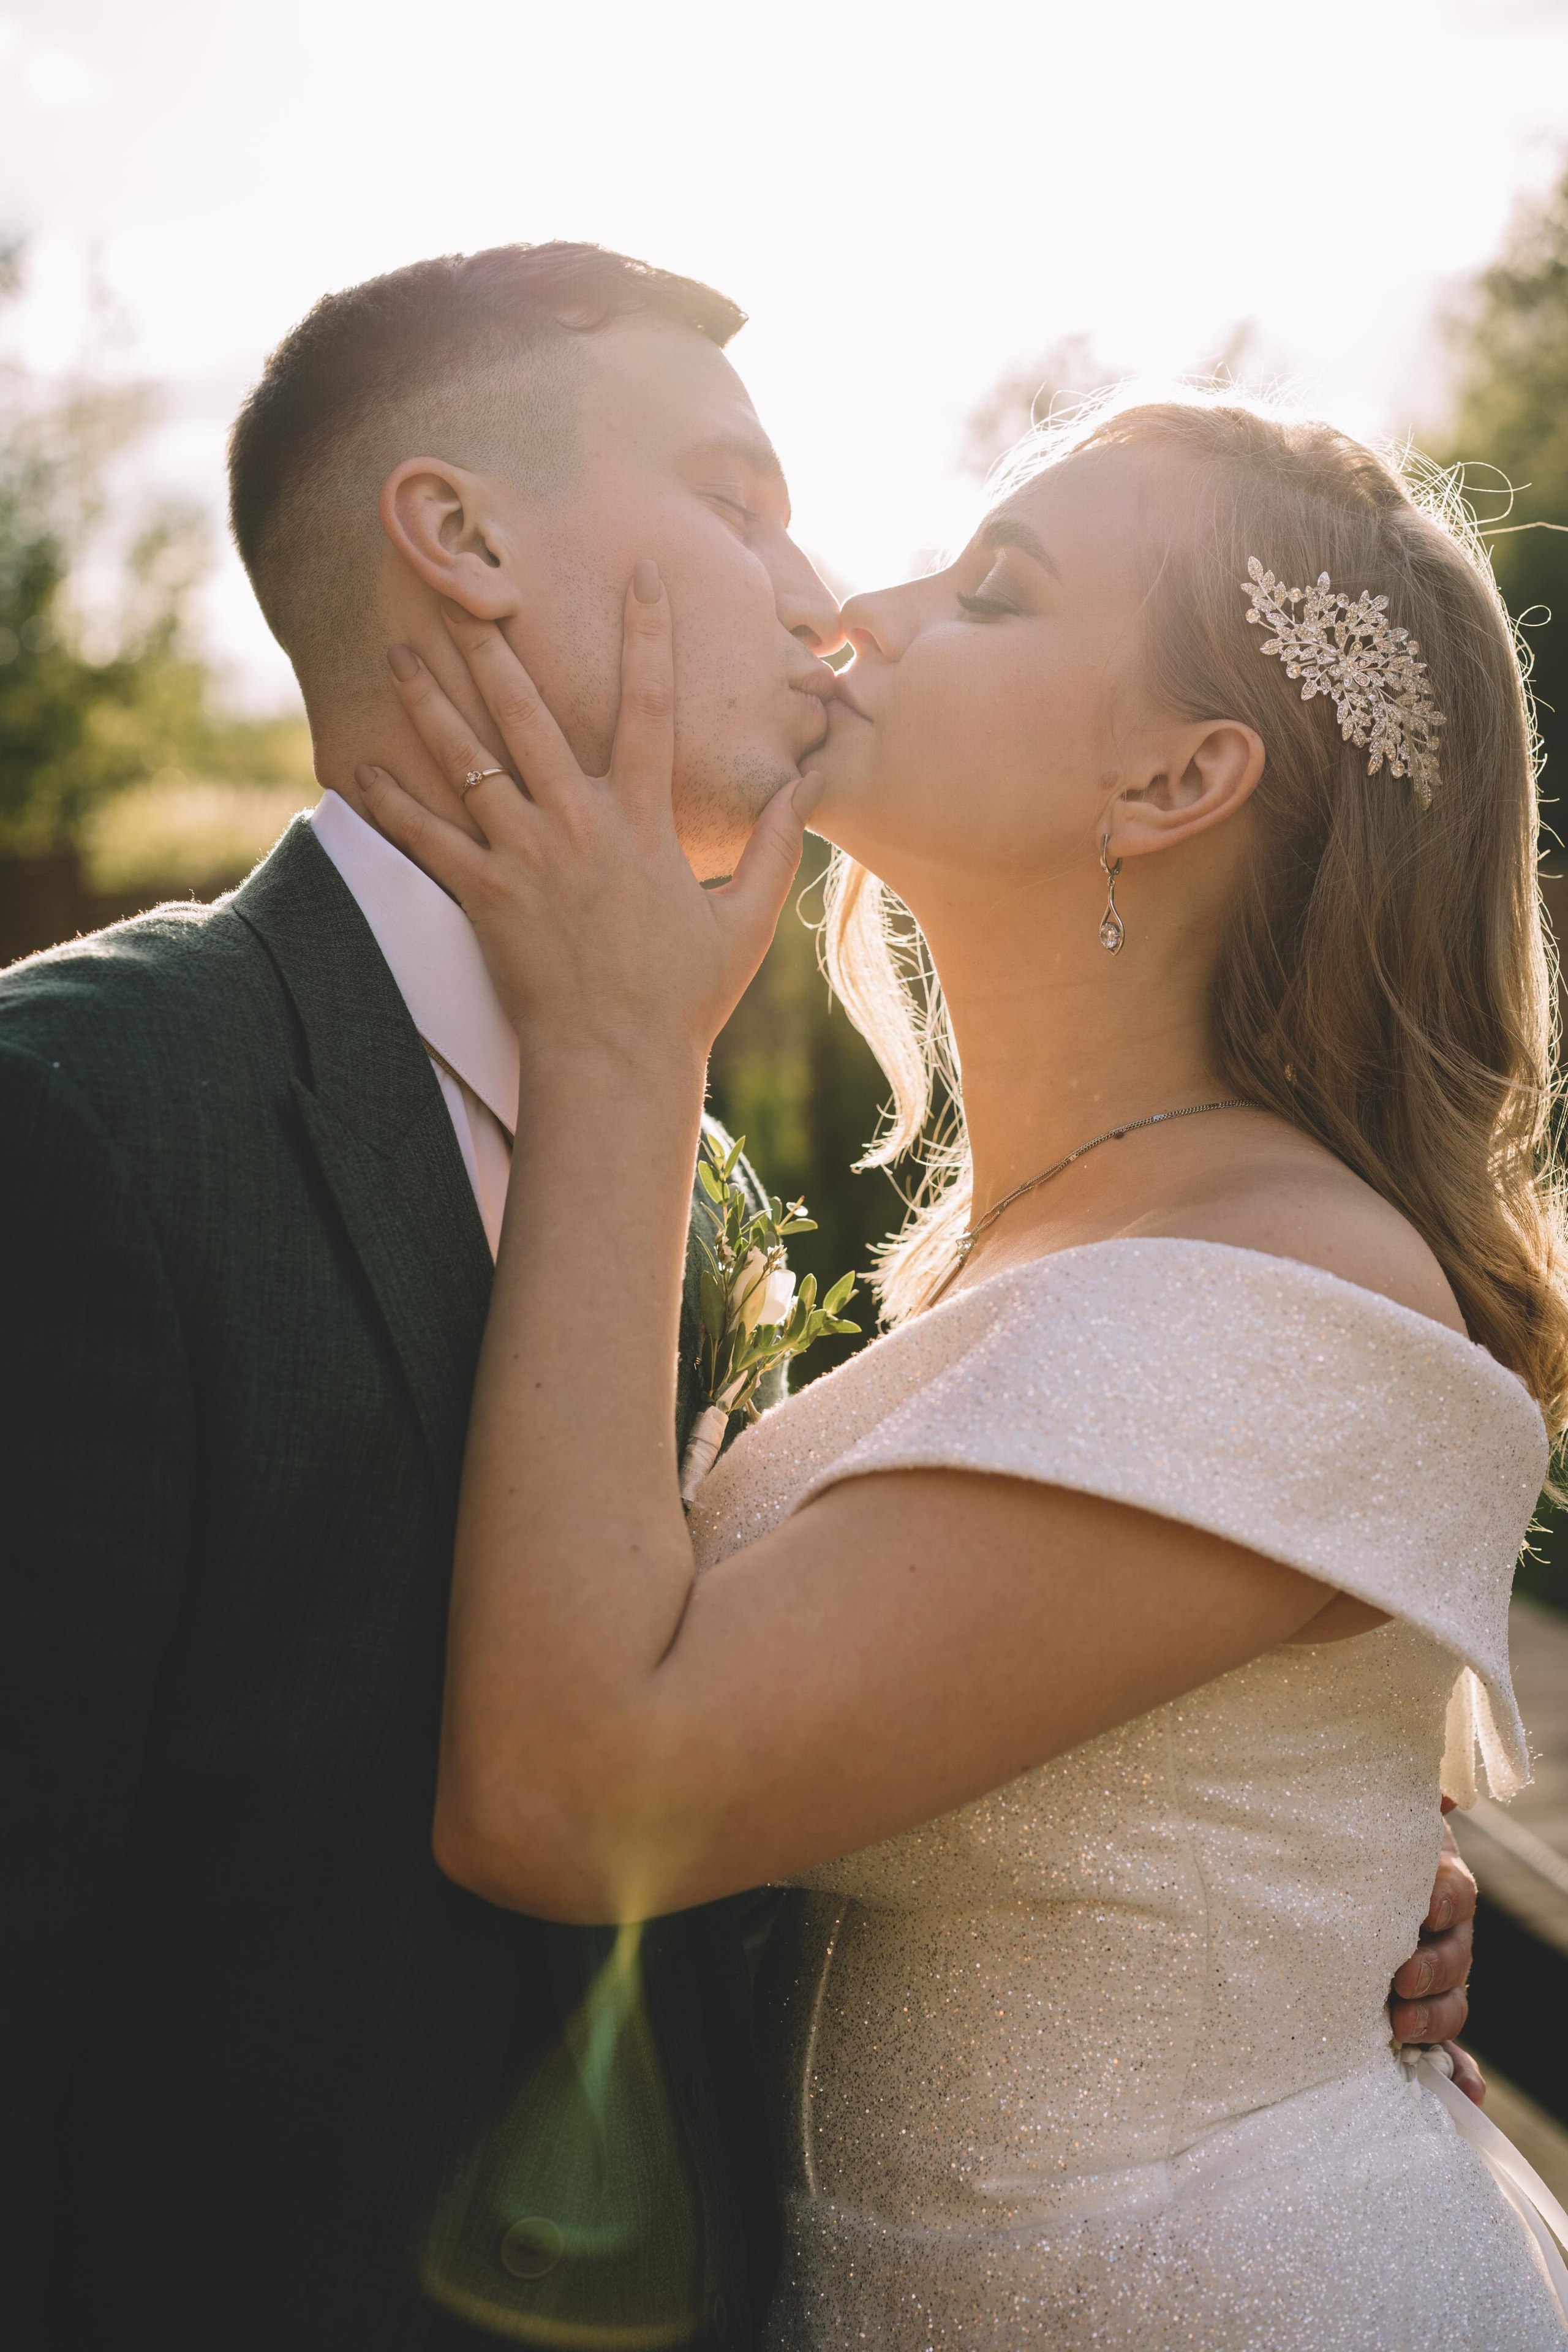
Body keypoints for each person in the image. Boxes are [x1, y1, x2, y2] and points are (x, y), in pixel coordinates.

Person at [355, 386, 1568, 2346]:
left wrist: (621, 1049)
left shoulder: (1294, 1281)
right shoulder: (1054, 1249)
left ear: (1177, 782)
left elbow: (576, 1802)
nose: (859, 610)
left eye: (994, 592)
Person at [0, 241, 843, 2351]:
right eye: (735, 497)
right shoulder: (79, 1120)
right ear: (458, 538)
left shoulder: (704, 1177)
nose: (814, 584)